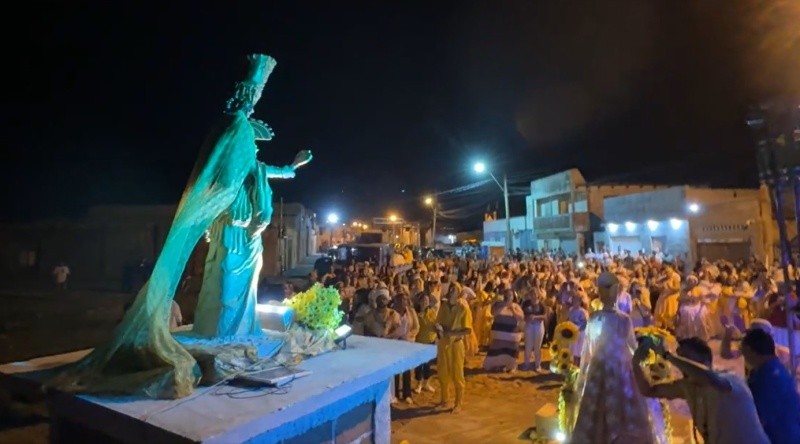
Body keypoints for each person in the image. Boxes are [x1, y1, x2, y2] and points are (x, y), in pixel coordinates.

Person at [570, 272, 656, 444]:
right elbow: (632, 347)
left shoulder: (596, 318)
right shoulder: (622, 319)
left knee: (596, 408)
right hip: (620, 368)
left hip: (599, 368)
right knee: (624, 406)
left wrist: (585, 373)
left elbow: (589, 349)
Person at [633, 336, 769, 444]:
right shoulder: (688, 386)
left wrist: (668, 356)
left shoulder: (730, 380)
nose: (682, 365)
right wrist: (636, 363)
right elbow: (649, 391)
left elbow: (710, 378)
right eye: (681, 358)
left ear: (705, 360)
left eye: (686, 359)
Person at [741, 328, 800, 444]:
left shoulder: (766, 380)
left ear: (749, 350)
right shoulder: (777, 369)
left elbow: (756, 421)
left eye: (742, 351)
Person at [435, 282, 473, 413]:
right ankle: (444, 400)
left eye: (455, 289)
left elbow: (467, 330)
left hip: (456, 344)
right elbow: (438, 322)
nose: (452, 291)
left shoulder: (463, 308)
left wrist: (451, 333)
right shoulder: (444, 306)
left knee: (457, 374)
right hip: (443, 343)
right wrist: (439, 329)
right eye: (451, 289)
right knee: (442, 373)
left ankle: (458, 403)